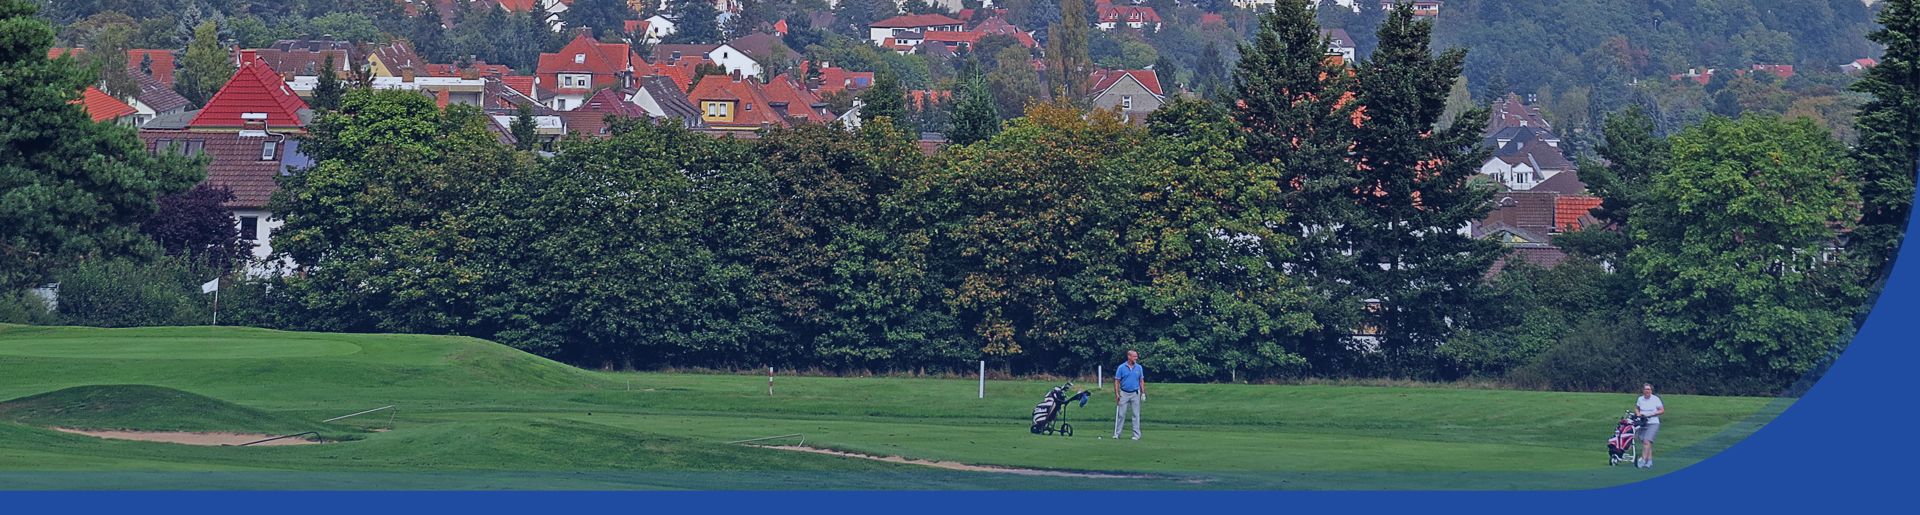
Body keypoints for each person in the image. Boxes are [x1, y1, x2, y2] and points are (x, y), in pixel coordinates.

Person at [1112, 349, 1146, 440]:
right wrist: (1117, 394)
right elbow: (1117, 381)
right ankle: (1117, 433)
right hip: (1124, 393)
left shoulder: (1139, 367)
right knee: (1121, 414)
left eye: (1136, 356)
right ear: (1129, 357)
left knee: (1135, 414)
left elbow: (1141, 380)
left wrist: (1143, 393)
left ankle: (1136, 435)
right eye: (1134, 356)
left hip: (1135, 393)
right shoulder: (1121, 367)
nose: (1136, 358)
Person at [1634, 383, 1665, 469]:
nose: (1647, 391)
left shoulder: (1656, 399)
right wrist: (1638, 414)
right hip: (1643, 423)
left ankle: (1643, 460)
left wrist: (1652, 414)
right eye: (1646, 389)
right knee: (1645, 441)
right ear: (1643, 390)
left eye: (1649, 389)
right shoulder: (1640, 399)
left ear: (1651, 391)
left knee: (1647, 441)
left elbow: (1662, 410)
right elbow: (1637, 408)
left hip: (1653, 423)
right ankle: (1649, 461)